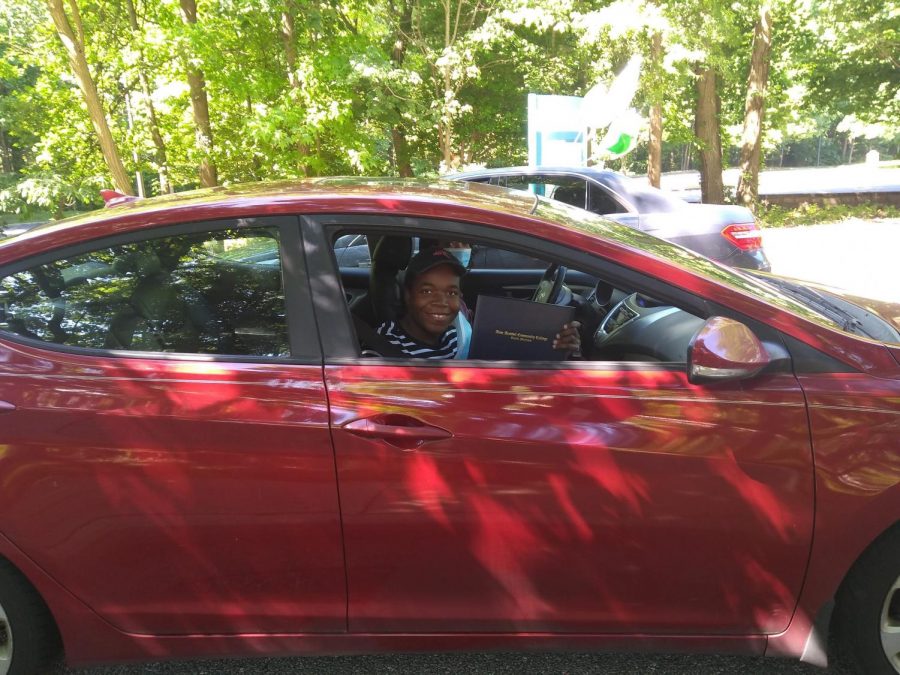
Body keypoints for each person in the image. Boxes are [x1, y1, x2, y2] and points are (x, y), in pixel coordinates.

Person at [376, 246, 581, 360]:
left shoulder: (456, 335)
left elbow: (506, 365)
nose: (441, 302)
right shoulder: (387, 346)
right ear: (408, 295)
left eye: (452, 292)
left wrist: (558, 347)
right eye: (427, 291)